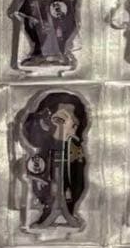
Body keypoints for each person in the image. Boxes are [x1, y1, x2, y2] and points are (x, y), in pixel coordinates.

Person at [21, 90, 87, 228]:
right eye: (59, 120)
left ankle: (67, 211)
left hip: (67, 182)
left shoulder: (74, 150)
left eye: (74, 124)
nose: (67, 127)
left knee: (70, 185)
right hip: (48, 185)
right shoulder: (43, 147)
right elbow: (36, 169)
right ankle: (49, 210)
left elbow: (78, 178)